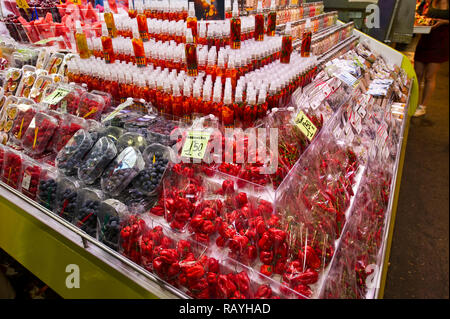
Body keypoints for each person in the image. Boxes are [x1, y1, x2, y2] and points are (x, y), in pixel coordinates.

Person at [413, 0, 449, 116]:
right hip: (425, 39)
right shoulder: (428, 2)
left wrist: (444, 22)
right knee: (417, 73)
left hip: (441, 42)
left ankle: (422, 106)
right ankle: (413, 103)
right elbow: (419, 15)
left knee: (429, 76)